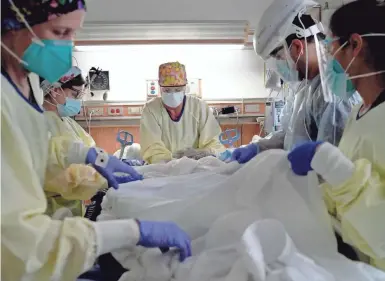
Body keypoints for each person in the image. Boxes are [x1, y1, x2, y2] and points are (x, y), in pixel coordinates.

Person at [1, 1, 191, 280]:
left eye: (73, 34)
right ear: (13, 24)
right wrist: (131, 231)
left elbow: (42, 147)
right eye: (60, 32)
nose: (67, 47)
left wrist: (92, 157)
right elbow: (19, 243)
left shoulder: (26, 82)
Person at [288, 0, 385, 270]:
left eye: (332, 47)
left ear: (355, 45)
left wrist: (332, 164)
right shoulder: (358, 113)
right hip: (354, 262)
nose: (330, 58)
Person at [231, 0, 361, 164]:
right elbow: (289, 135)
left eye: (278, 57)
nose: (279, 66)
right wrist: (258, 147)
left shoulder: (332, 91)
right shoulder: (305, 88)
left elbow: (335, 160)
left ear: (297, 47)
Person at [42, 66, 108, 218]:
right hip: (50, 212)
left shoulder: (67, 122)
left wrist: (106, 163)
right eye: (75, 94)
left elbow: (90, 149)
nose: (78, 100)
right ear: (54, 90)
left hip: (73, 207)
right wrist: (100, 179)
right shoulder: (39, 123)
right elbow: (56, 170)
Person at [140, 61, 225, 164]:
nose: (172, 95)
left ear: (185, 87)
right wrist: (171, 162)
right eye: (167, 90)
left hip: (197, 167)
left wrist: (205, 153)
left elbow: (214, 142)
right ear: (160, 88)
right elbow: (152, 148)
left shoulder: (199, 107)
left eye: (177, 89)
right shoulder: (151, 109)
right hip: (162, 169)